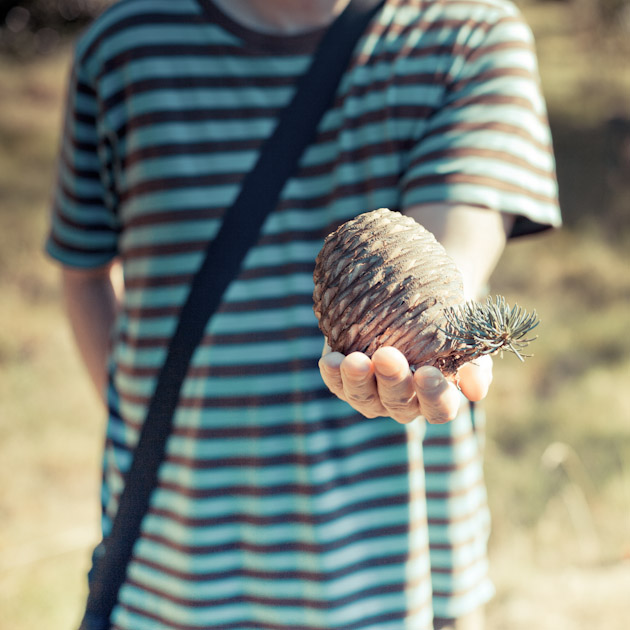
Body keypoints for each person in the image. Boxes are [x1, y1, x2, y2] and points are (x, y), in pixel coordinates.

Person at [46, 0, 561, 629]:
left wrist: (431, 340)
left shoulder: (467, 30)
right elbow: (85, 274)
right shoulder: (125, 47)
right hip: (174, 563)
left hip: (394, 574)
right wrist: (159, 431)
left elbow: (455, 240)